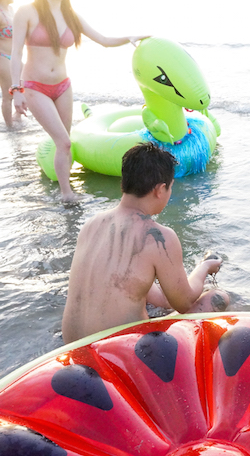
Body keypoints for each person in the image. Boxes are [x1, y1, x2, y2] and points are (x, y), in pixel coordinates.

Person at [61, 142, 230, 344]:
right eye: (170, 188)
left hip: (71, 347)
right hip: (117, 351)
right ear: (160, 189)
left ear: (124, 183)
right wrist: (204, 268)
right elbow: (184, 302)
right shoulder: (158, 236)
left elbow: (160, 297)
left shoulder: (91, 225)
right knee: (218, 298)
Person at [10, 0, 149, 202]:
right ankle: (67, 194)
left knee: (65, 142)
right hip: (35, 87)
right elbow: (15, 53)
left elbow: (103, 40)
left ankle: (65, 189)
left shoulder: (71, 16)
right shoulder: (27, 12)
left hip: (63, 86)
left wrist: (130, 37)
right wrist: (16, 89)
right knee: (64, 142)